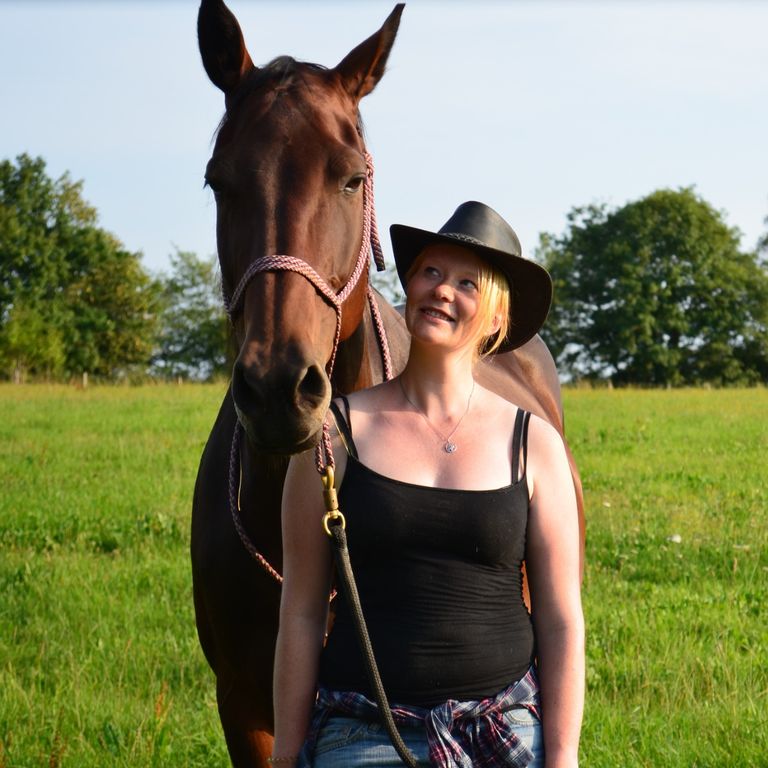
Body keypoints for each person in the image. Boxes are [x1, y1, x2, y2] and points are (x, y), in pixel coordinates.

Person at [272, 201, 584, 767]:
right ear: (409, 285)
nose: (442, 290)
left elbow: (561, 616)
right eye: (431, 272)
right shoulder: (333, 436)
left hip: (504, 731)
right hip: (364, 731)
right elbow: (301, 610)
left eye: (467, 283)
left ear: (496, 317)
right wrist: (288, 754)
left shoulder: (533, 443)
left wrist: (562, 758)